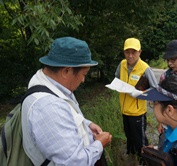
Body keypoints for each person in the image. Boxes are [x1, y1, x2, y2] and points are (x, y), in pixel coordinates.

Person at [21, 37, 112, 166]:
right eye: (84, 74)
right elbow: (74, 162)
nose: (83, 80)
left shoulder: (49, 84)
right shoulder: (49, 107)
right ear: (66, 71)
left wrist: (87, 124)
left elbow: (65, 116)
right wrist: (99, 144)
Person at [114, 37, 158, 163]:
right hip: (124, 110)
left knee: (140, 140)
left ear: (140, 52)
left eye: (134, 52)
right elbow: (117, 78)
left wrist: (140, 93)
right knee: (129, 137)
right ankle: (132, 158)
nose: (130, 55)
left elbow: (155, 89)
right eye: (127, 52)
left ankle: (145, 161)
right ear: (124, 53)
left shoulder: (144, 68)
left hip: (138, 112)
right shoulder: (122, 64)